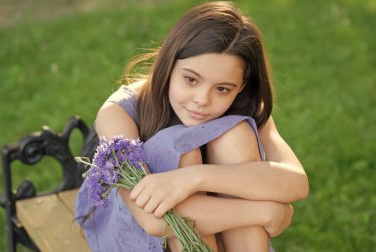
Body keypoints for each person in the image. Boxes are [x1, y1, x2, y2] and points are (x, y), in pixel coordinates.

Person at [75, 1, 309, 251]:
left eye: (222, 88)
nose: (202, 100)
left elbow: (296, 182)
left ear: (241, 86)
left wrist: (194, 178)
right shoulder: (118, 112)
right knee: (179, 148)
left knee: (235, 133)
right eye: (190, 79)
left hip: (214, 225)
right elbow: (153, 220)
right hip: (133, 232)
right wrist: (264, 212)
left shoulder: (243, 104)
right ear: (169, 63)